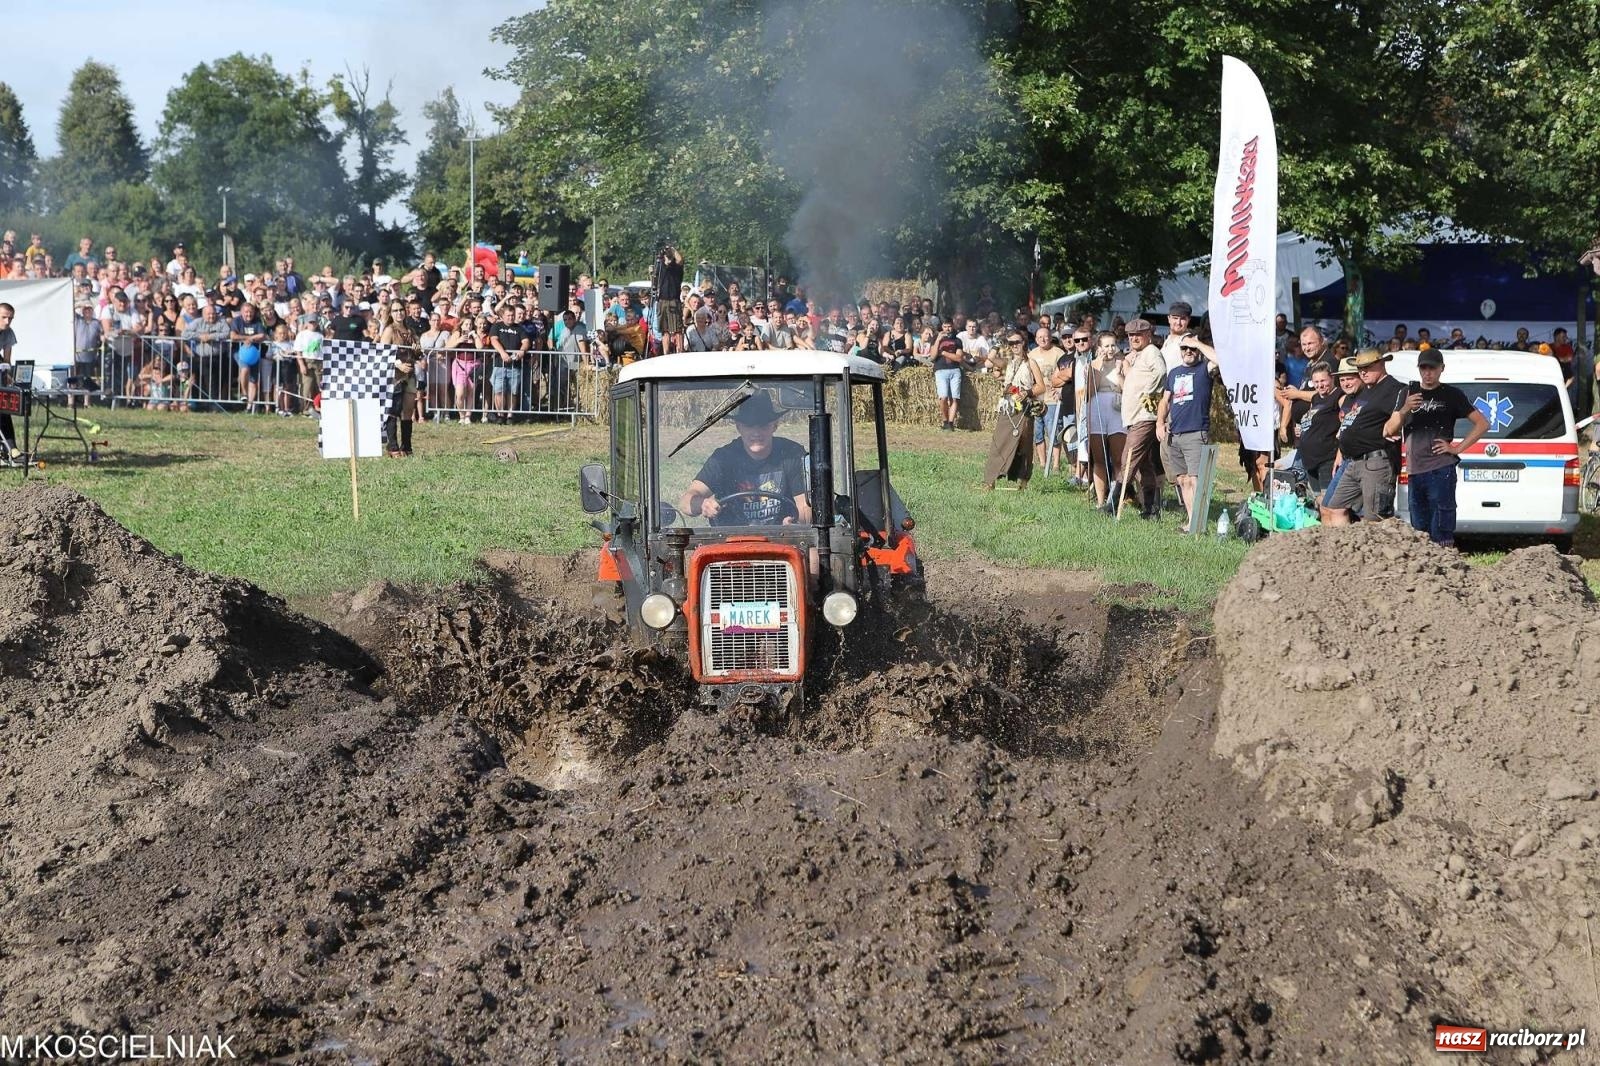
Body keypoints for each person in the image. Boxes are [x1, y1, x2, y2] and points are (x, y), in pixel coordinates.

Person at [1381, 348, 1490, 547]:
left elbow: (1482, 423)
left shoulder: (1452, 394)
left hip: (1441, 469)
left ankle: (1445, 570)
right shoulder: (1406, 393)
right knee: (1419, 530)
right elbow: (1388, 430)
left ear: (1442, 369)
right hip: (1414, 470)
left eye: (1432, 368)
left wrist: (1456, 448)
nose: (1427, 373)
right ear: (1418, 369)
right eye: (1423, 368)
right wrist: (1405, 408)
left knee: (1441, 530)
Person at [677, 392, 813, 526]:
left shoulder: (791, 454)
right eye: (749, 426)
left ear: (774, 425)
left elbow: (805, 507)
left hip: (781, 540)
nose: (756, 433)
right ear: (738, 427)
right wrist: (703, 504)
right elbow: (685, 502)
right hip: (730, 542)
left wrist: (796, 523)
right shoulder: (723, 458)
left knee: (813, 548)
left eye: (763, 425)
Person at [1323, 348, 1408, 525]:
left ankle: (1377, 553)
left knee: (1374, 518)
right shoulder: (1368, 390)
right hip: (1353, 461)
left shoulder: (1395, 389)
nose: (1363, 371)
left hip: (1376, 461)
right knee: (1335, 508)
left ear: (1382, 364)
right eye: (1360, 368)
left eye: (1368, 367)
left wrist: (1396, 428)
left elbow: (1403, 417)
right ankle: (1345, 551)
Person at [1155, 334, 1220, 527]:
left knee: (1196, 480)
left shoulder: (1204, 368)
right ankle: (1192, 521)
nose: (1188, 351)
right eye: (1184, 348)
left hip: (1196, 431)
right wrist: (1160, 422)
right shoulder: (1174, 373)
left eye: (1191, 348)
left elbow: (1220, 359)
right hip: (1175, 433)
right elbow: (1165, 400)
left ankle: (1199, 523)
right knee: (1182, 480)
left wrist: (1197, 343)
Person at [1116, 318, 1167, 519]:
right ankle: (1150, 509)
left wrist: (1150, 391)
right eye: (1131, 335)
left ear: (1148, 335)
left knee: (1128, 458)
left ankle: (1113, 503)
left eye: (1138, 335)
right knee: (1144, 463)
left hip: (1145, 415)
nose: (1134, 338)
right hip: (1134, 416)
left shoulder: (1152, 352)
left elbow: (1162, 373)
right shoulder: (1138, 355)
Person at [983, 331, 1043, 491]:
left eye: (1017, 342)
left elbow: (1041, 386)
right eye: (1010, 343)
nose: (1014, 346)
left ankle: (1022, 481)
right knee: (999, 441)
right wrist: (999, 343)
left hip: (1024, 407)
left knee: (1023, 443)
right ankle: (990, 481)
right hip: (1008, 405)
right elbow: (990, 359)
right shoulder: (1007, 362)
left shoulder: (1031, 363)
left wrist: (1027, 392)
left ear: (1024, 342)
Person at [1081, 331, 1127, 508]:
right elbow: (1089, 392)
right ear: (1099, 348)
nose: (1110, 349)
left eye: (1112, 345)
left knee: (1117, 458)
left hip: (1116, 408)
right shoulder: (1092, 365)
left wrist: (1119, 372)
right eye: (1106, 346)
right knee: (1098, 458)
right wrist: (1098, 366)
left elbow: (1127, 388)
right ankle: (1101, 501)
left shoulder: (1122, 362)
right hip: (1097, 406)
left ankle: (1116, 500)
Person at [487, 304, 527, 424]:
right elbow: (494, 340)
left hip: (515, 365)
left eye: (512, 315)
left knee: (512, 391)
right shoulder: (496, 326)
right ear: (503, 316)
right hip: (499, 364)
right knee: (498, 391)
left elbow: (526, 341)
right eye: (508, 315)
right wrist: (502, 353)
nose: (510, 318)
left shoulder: (519, 328)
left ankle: (510, 415)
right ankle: (500, 415)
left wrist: (522, 351)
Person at [933, 320, 966, 431]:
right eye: (945, 326)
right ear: (941, 327)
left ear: (953, 327)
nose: (947, 329)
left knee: (954, 398)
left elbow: (959, 358)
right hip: (940, 370)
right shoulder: (936, 339)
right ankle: (945, 421)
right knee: (943, 397)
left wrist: (943, 353)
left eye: (949, 326)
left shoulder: (957, 341)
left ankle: (951, 423)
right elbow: (932, 356)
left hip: (954, 370)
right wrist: (938, 340)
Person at [654, 245, 685, 354]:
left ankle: (679, 351)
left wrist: (672, 249)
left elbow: (680, 259)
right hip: (662, 300)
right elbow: (654, 276)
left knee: (677, 329)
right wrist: (662, 254)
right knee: (664, 329)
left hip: (673, 300)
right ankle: (666, 353)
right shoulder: (660, 265)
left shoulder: (676, 267)